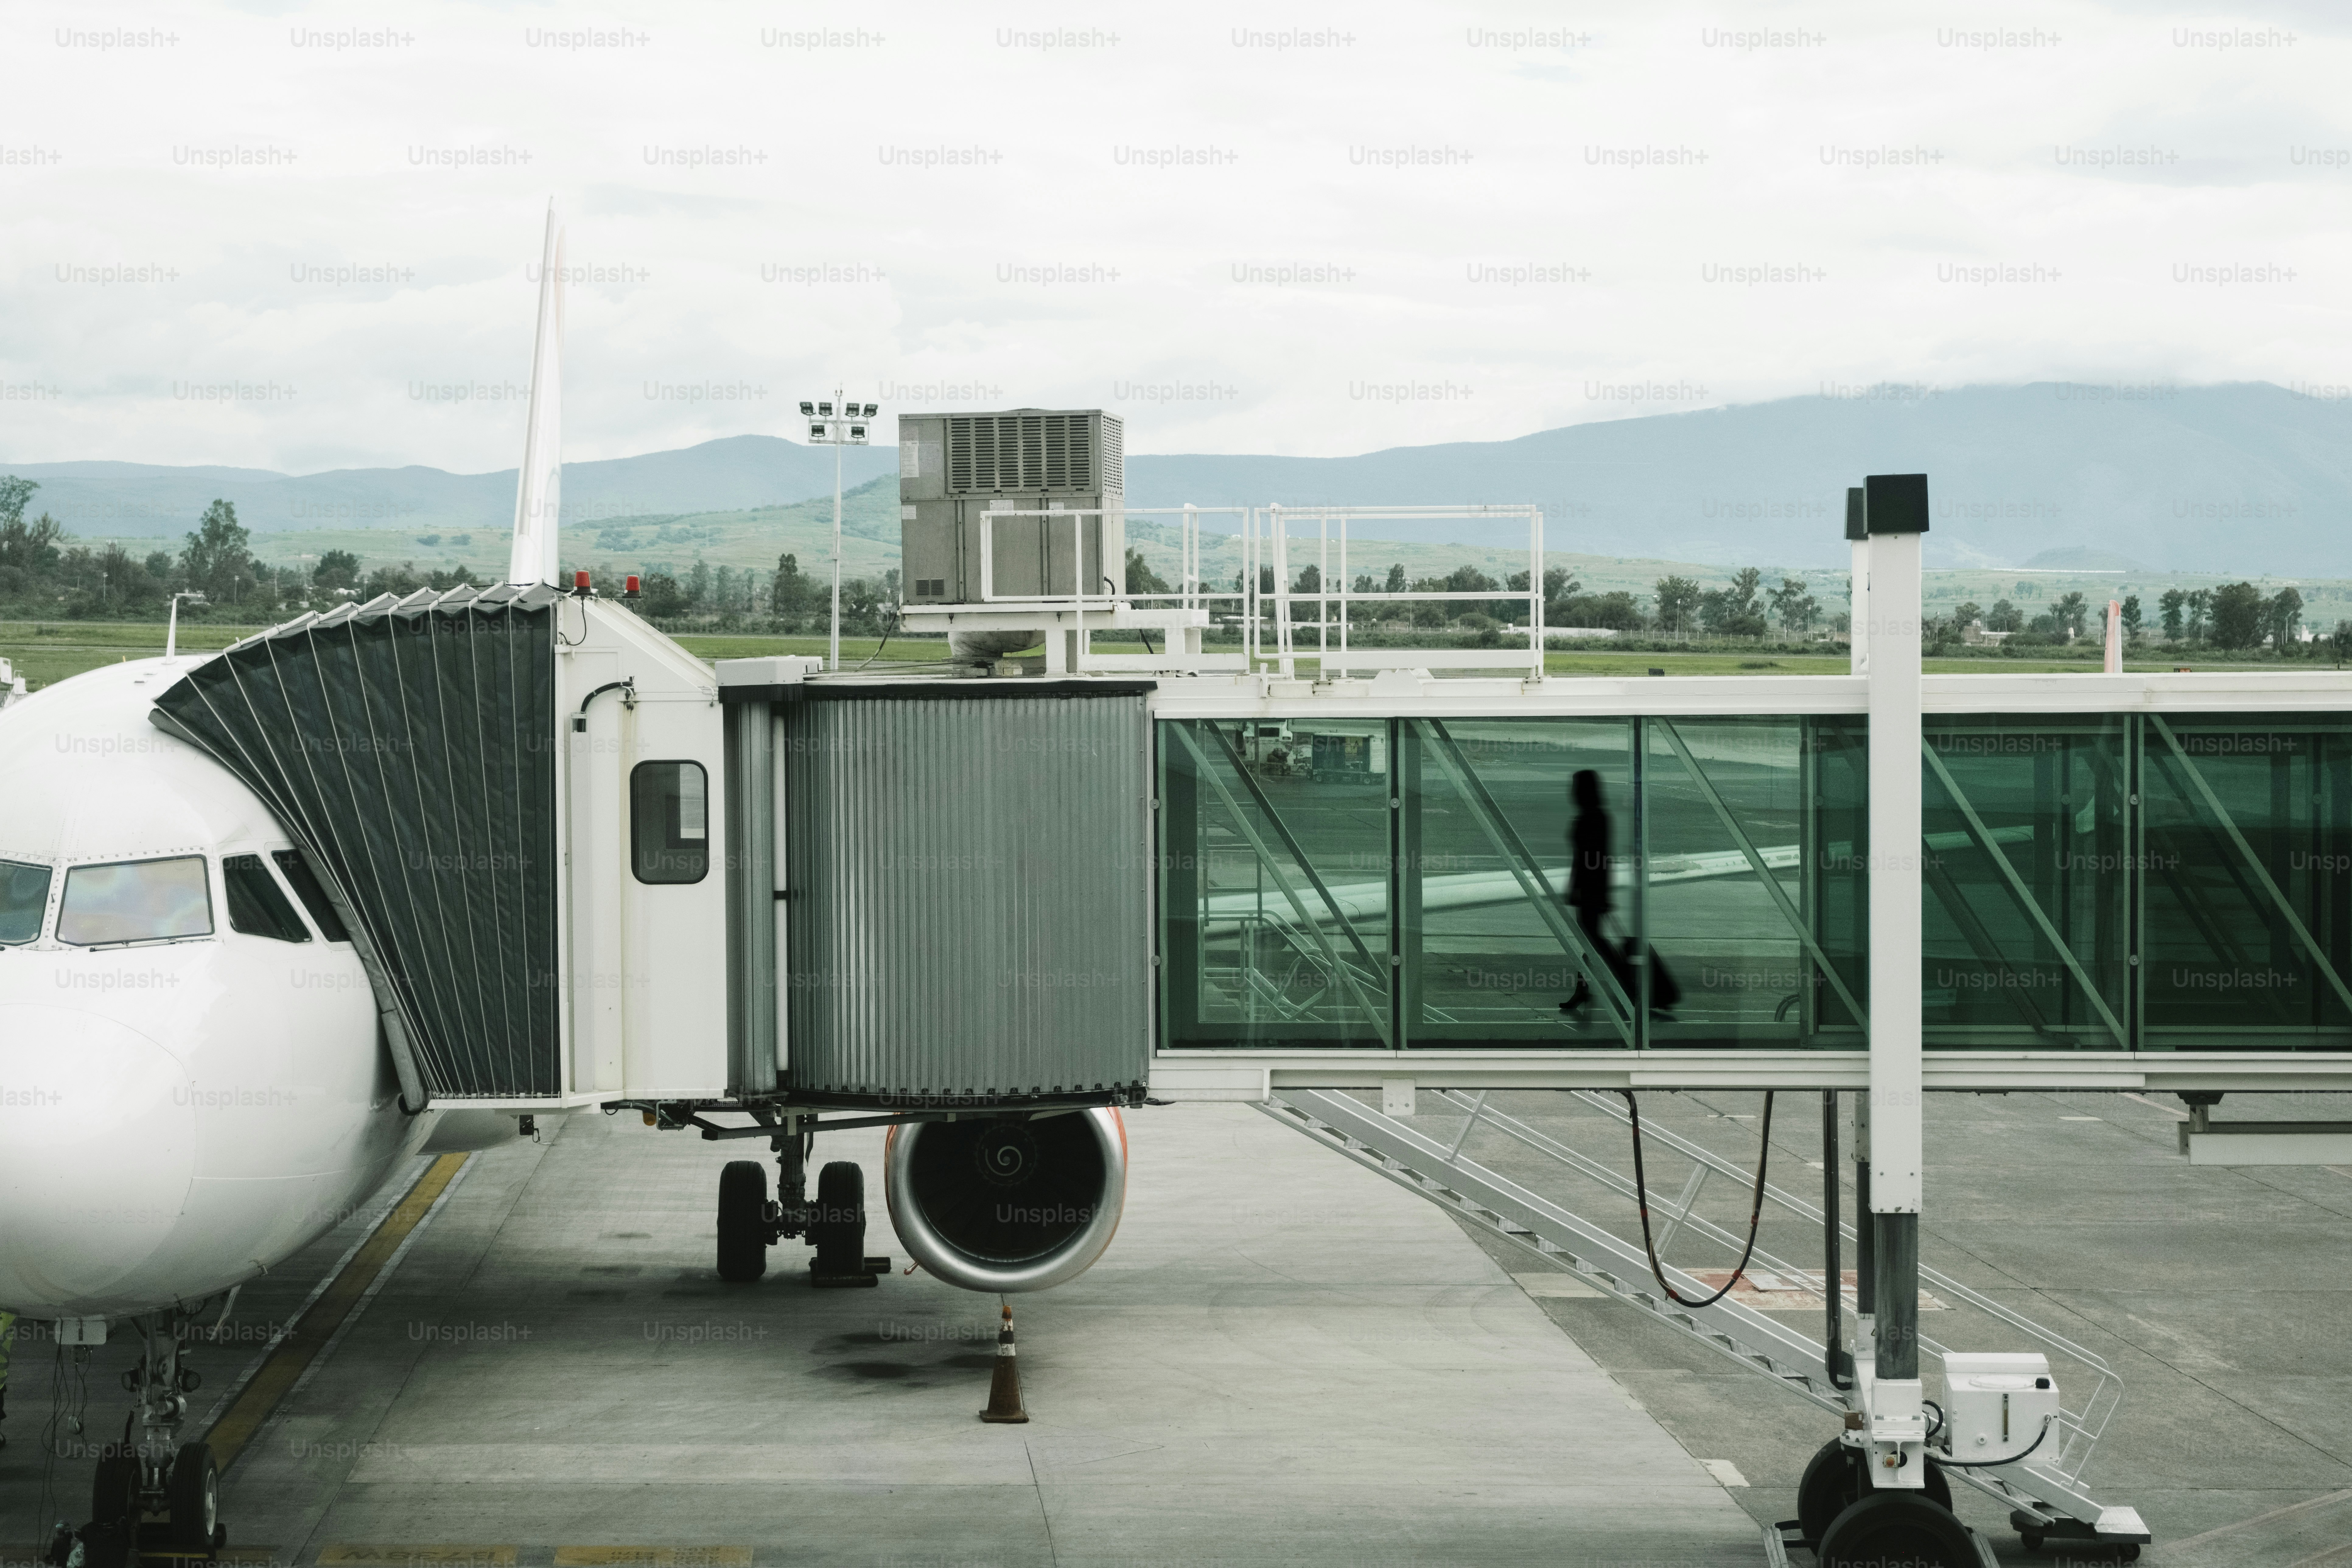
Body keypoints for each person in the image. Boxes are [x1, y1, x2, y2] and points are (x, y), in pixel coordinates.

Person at [1561, 770, 1635, 1018]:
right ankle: (1593, 988)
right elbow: (1596, 859)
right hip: (1590, 891)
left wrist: (1583, 890)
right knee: (1593, 943)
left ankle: (1624, 986)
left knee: (1595, 944)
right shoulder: (1597, 817)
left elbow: (1590, 860)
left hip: (1589, 892)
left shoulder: (1591, 818)